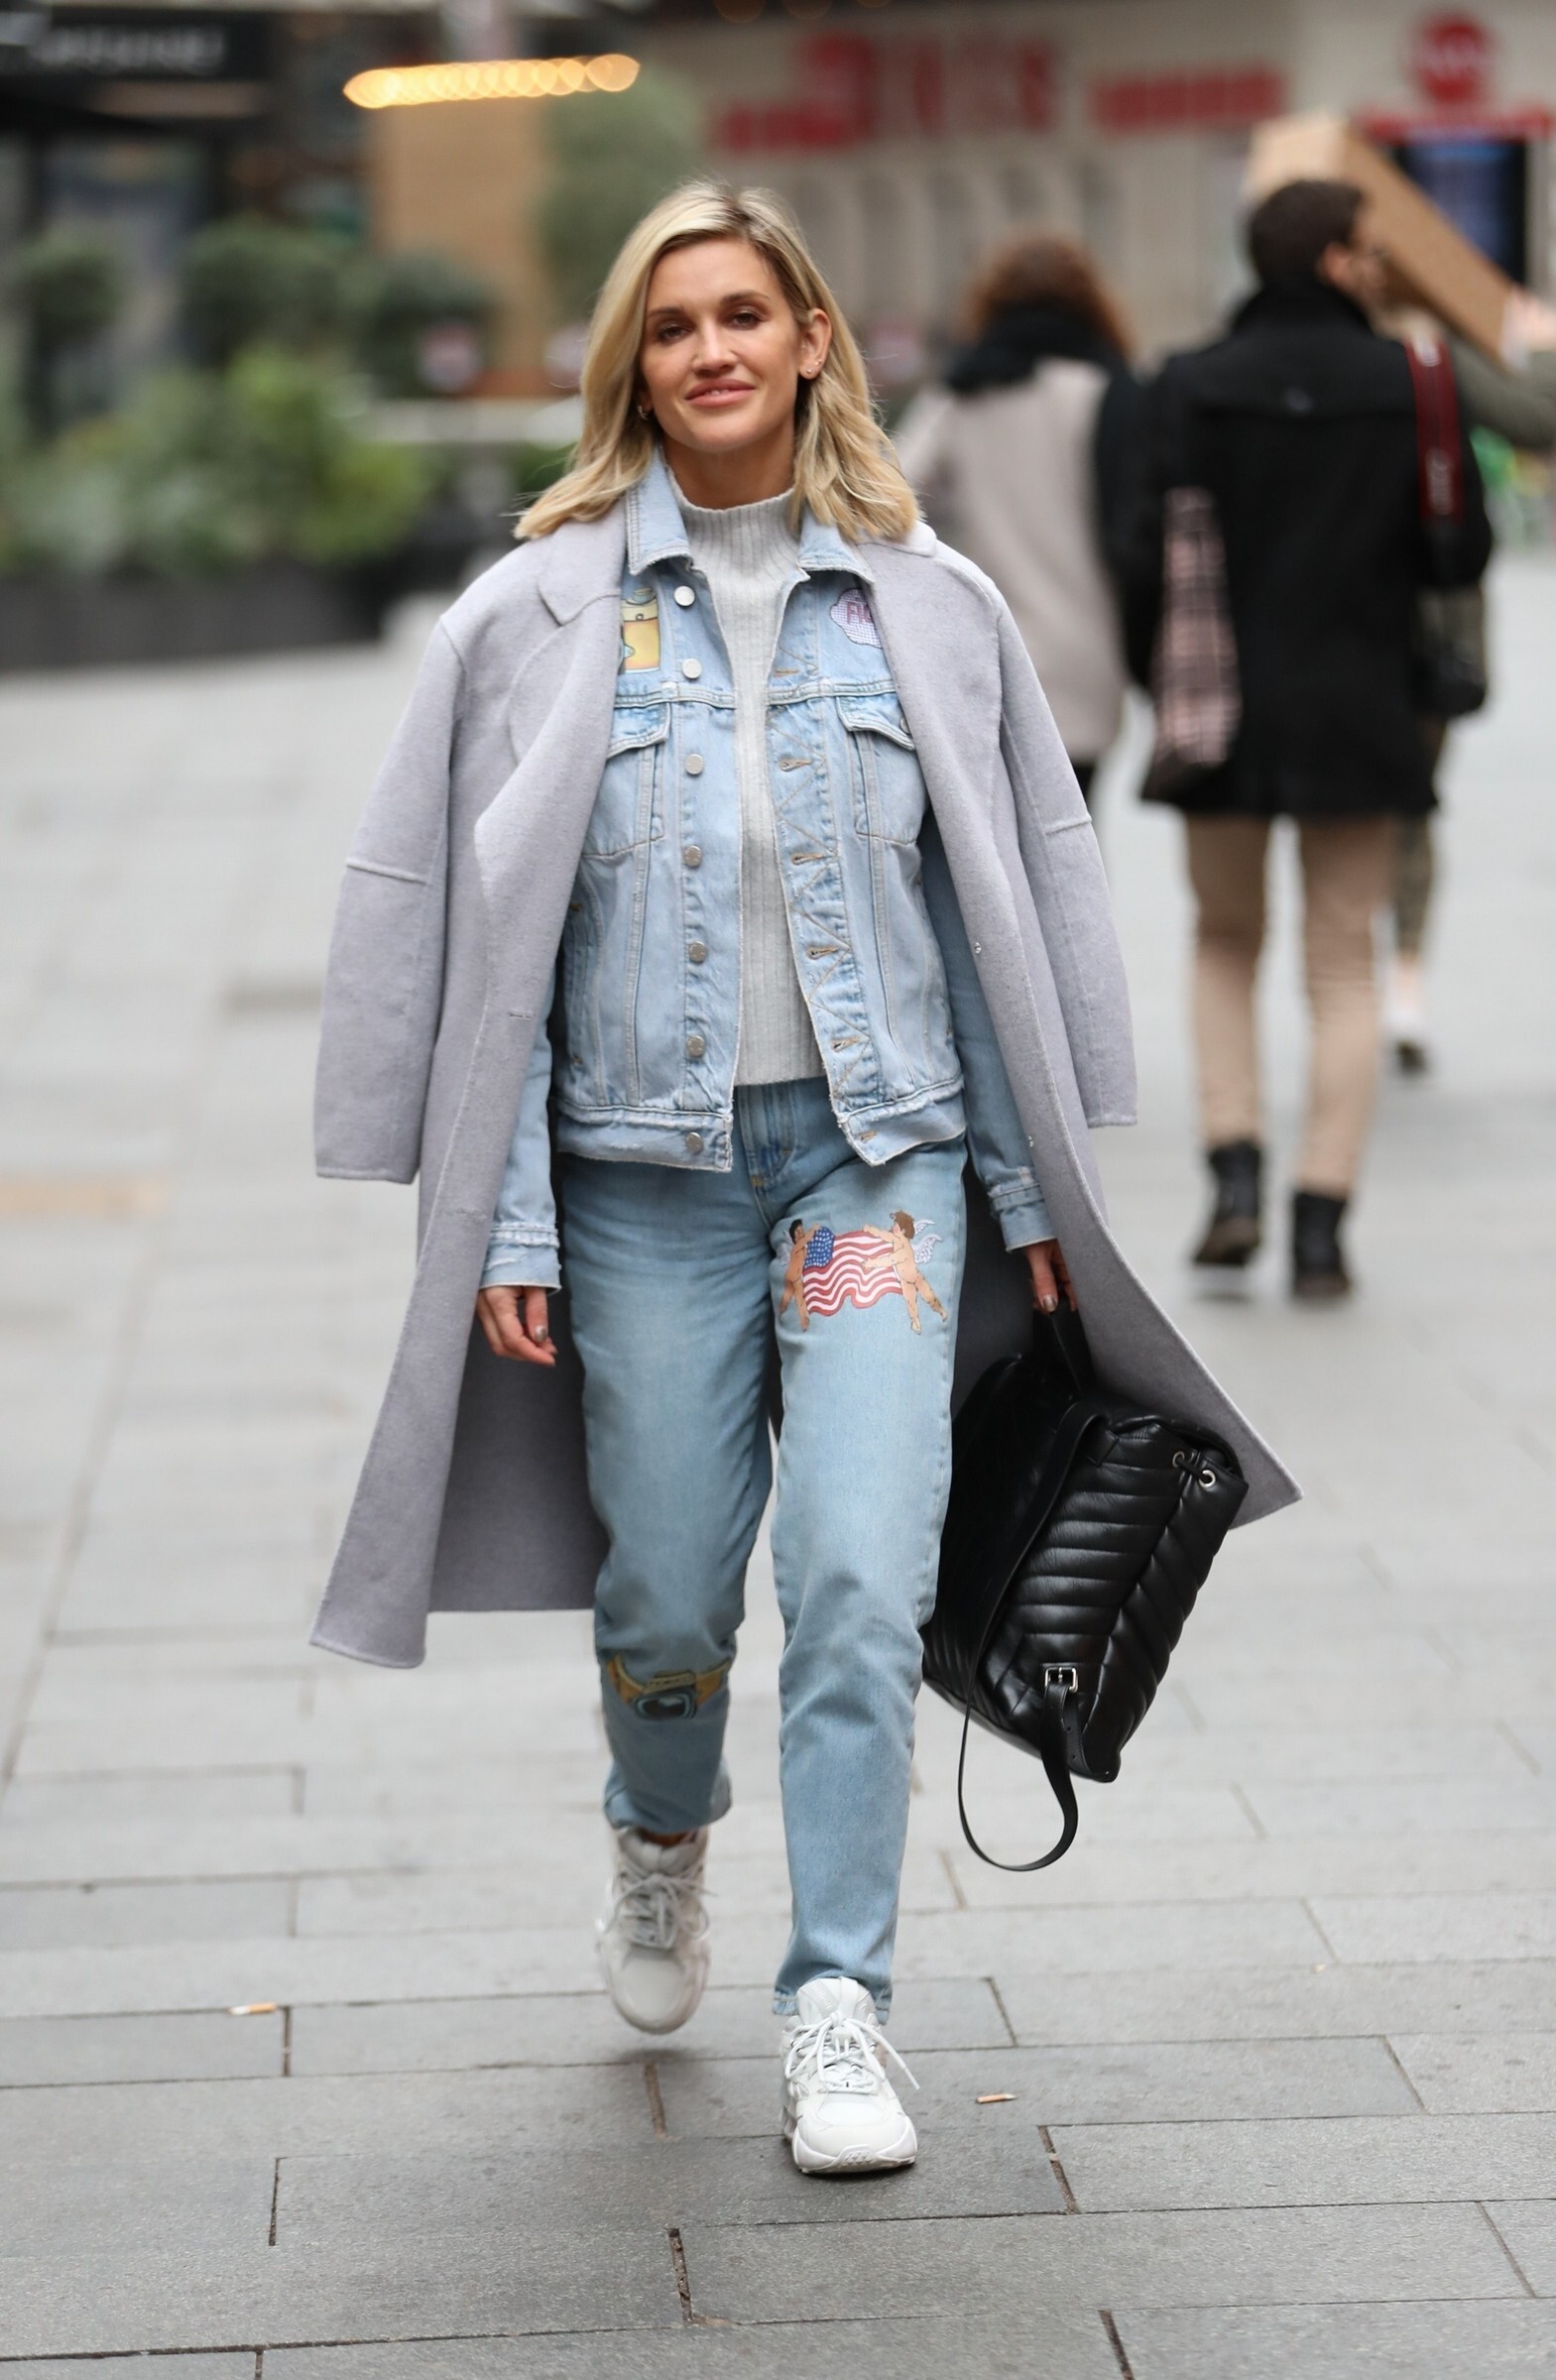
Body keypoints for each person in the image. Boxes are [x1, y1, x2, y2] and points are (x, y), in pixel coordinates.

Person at [309, 181, 1296, 2179]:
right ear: (634, 363)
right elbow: (495, 954)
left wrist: (1029, 1188)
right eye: (672, 324)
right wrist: (507, 1219)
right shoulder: (535, 616)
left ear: (812, 338)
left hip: (869, 1177)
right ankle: (658, 1830)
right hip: (640, 1190)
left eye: (744, 315)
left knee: (857, 1575)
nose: (711, 351)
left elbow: (987, 916)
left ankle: (836, 2002)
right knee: (669, 1589)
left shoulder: (927, 604)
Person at [1123, 178, 1491, 1300]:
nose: (1375, 267)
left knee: (1223, 941)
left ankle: (1234, 1174)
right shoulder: (1411, 381)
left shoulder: (1186, 383)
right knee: (1342, 964)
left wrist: (1159, 680)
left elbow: (1139, 554)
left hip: (1221, 710)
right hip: (1362, 706)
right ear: (1333, 260)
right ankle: (1322, 1223)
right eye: (1364, 250)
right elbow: (1459, 550)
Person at [895, 232, 1141, 806]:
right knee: (1076, 826)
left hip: (991, 647)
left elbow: (890, 491)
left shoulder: (963, 392)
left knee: (1000, 835)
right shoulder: (1108, 391)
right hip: (1088, 654)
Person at [1380, 292, 1556, 1073]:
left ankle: (1363, 977)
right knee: (1410, 805)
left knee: (1353, 816)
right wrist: (1538, 349)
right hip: (1430, 625)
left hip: (1322, 627)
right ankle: (1401, 978)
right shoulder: (1432, 361)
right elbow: (1537, 420)